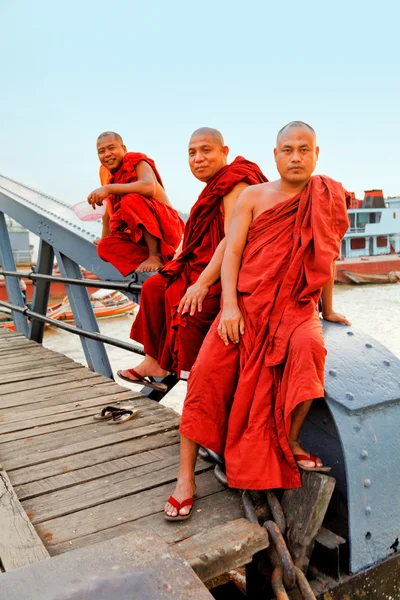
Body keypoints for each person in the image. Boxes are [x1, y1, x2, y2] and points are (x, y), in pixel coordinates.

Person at [165, 121, 351, 520]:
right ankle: (185, 478)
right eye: (288, 149)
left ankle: (290, 441)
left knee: (311, 350)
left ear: (316, 154)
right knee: (205, 374)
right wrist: (228, 306)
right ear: (276, 155)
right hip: (247, 305)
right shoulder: (253, 196)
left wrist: (329, 309)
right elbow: (232, 253)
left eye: (304, 149)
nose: (296, 156)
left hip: (296, 307)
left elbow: (327, 256)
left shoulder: (326, 196)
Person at [117, 127, 267, 390]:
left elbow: (233, 240)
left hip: (230, 270)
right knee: (153, 288)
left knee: (189, 310)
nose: (198, 158)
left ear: (224, 152)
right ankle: (156, 362)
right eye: (192, 153)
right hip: (204, 264)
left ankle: (196, 385)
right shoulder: (213, 187)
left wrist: (202, 283)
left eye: (206, 150)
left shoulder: (236, 183)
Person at [88, 132, 184, 274]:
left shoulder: (138, 162)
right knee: (104, 248)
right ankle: (163, 257)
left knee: (130, 200)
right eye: (101, 151)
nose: (107, 154)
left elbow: (148, 187)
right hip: (140, 237)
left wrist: (108, 189)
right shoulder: (109, 176)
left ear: (124, 149)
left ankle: (155, 256)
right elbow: (108, 210)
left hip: (167, 229)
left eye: (111, 148)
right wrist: (105, 238)